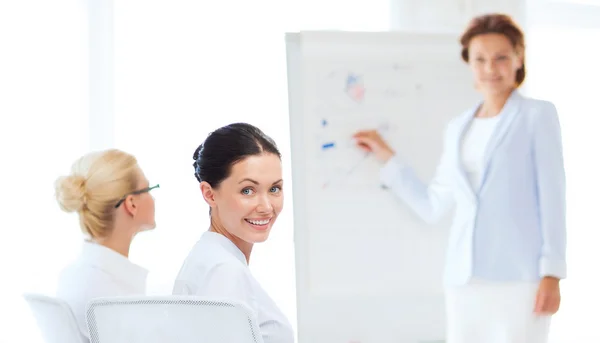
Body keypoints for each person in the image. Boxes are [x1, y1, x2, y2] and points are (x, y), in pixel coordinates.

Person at [353, 14, 566, 343]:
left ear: (518, 59)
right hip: (463, 280)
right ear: (469, 63)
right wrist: (386, 155)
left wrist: (552, 273)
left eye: (501, 58)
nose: (490, 69)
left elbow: (553, 198)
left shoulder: (537, 116)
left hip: (519, 278)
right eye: (480, 59)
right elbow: (433, 204)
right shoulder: (458, 129)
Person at [172, 123, 294, 343]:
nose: (266, 206)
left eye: (274, 188)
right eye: (247, 190)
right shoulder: (224, 270)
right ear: (210, 194)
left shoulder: (212, 257)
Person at [54, 149, 158, 340]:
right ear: (131, 203)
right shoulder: (113, 297)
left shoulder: (72, 275)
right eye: (149, 189)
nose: (153, 198)